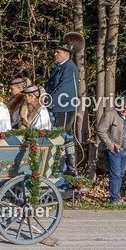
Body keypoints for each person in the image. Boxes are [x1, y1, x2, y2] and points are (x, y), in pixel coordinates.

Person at [47, 36, 82, 174]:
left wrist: (48, 101)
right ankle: (70, 169)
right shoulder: (60, 67)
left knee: (60, 137)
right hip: (58, 107)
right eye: (55, 52)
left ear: (66, 54)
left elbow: (64, 89)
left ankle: (61, 168)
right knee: (66, 137)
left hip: (64, 108)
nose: (55, 54)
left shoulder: (70, 68)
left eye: (58, 52)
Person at [96, 100, 126, 205]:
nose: (125, 111)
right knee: (115, 174)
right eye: (123, 108)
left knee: (121, 174)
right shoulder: (109, 115)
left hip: (125, 150)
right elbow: (100, 130)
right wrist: (110, 146)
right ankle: (114, 199)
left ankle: (116, 197)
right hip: (114, 150)